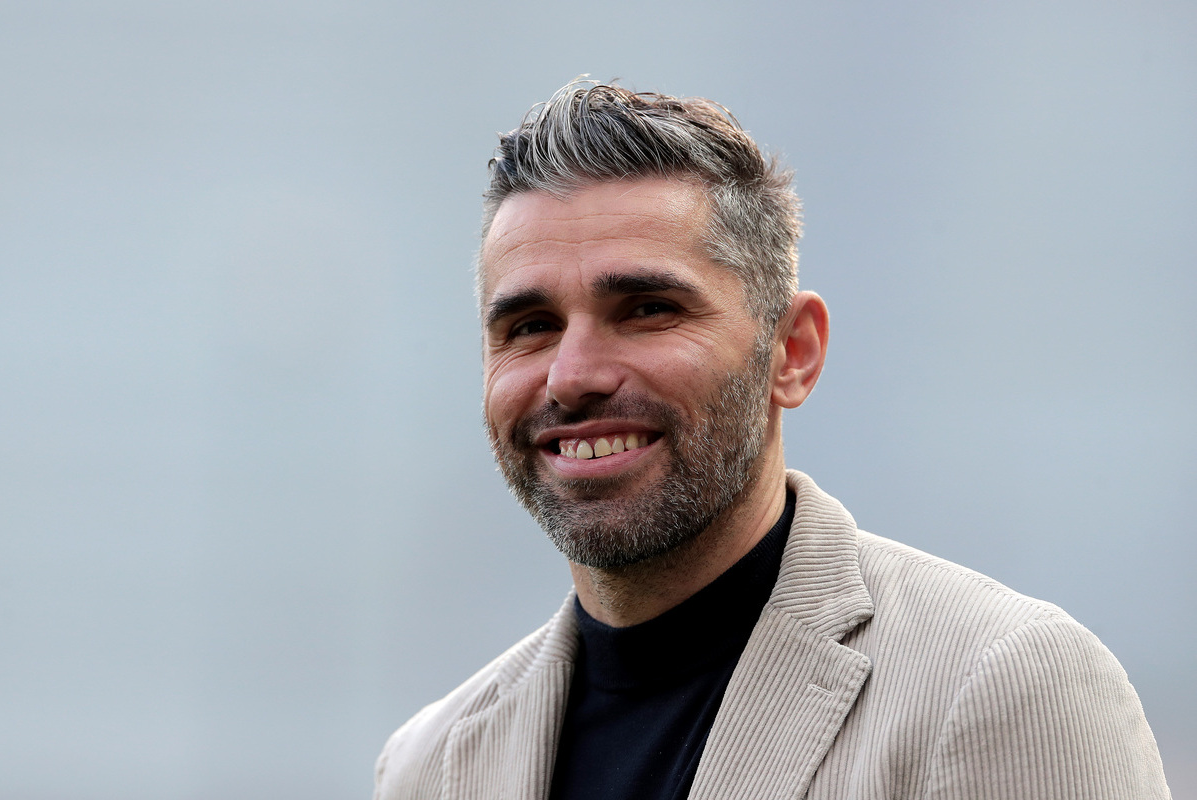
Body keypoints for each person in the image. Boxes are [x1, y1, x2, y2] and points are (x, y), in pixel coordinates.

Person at [374, 79, 1171, 800]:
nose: (572, 375)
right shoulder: (429, 765)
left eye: (648, 309)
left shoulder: (1003, 685)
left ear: (793, 353)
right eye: (530, 326)